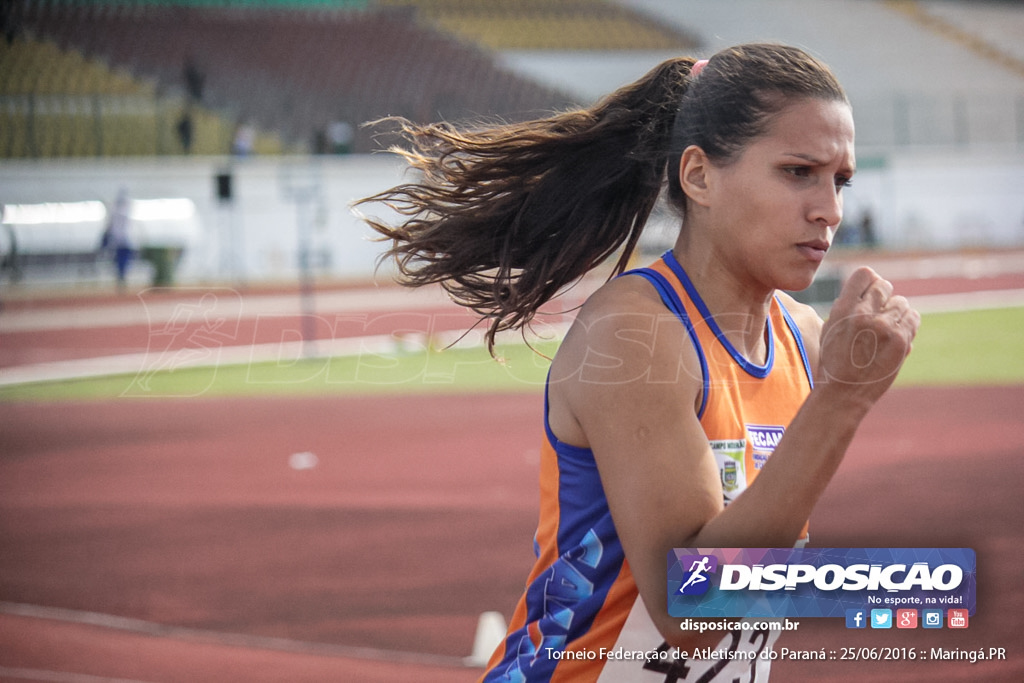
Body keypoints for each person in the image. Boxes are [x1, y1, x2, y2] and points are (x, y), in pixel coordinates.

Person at [358, 43, 919, 682]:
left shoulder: (805, 340)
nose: (830, 210)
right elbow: (693, 609)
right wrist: (840, 402)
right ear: (699, 176)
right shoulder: (636, 334)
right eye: (798, 172)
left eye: (839, 180)